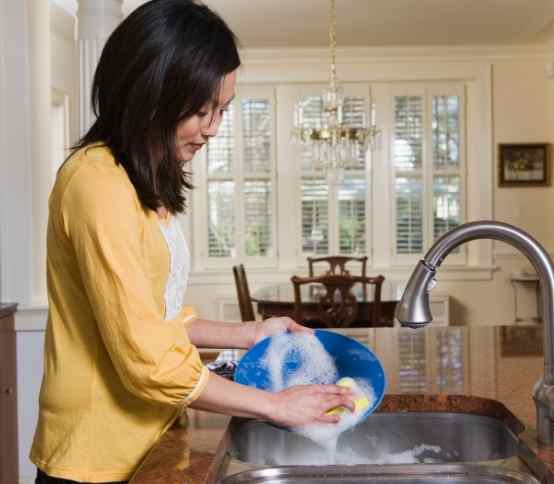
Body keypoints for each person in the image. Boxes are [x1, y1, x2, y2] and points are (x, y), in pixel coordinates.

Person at [30, 1, 354, 482]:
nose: (213, 129)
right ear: (151, 93)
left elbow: (155, 318)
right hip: (96, 456)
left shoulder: (139, 180)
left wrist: (251, 333)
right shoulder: (96, 183)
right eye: (201, 110)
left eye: (221, 109)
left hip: (144, 438)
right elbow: (146, 357)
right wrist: (275, 407)